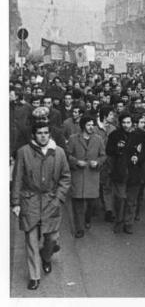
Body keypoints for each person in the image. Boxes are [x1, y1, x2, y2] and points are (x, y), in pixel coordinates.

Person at [11, 121, 71, 290]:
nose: (43, 136)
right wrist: (15, 202)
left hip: (51, 201)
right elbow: (17, 179)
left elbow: (65, 178)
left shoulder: (58, 152)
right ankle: (34, 276)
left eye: (46, 132)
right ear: (33, 135)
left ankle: (47, 256)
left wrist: (58, 198)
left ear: (50, 134)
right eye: (39, 133)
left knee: (51, 238)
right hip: (30, 200)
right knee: (31, 240)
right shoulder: (23, 152)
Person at [106, 112, 145, 233]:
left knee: (131, 200)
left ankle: (128, 222)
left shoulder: (141, 135)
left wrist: (138, 158)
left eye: (128, 122)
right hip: (119, 170)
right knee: (120, 198)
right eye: (123, 122)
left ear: (133, 123)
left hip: (135, 172)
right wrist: (117, 148)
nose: (126, 125)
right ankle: (118, 221)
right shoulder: (115, 135)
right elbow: (109, 151)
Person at [66, 114, 107, 237]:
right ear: (83, 125)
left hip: (92, 175)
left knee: (92, 203)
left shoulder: (98, 139)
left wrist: (98, 162)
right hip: (78, 174)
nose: (91, 127)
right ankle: (79, 228)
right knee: (77, 202)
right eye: (88, 124)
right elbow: (67, 155)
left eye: (92, 124)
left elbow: (103, 155)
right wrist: (76, 162)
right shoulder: (73, 139)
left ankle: (87, 218)